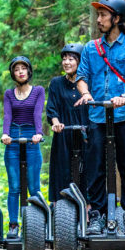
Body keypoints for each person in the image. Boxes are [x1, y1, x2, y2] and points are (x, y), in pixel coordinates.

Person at [74, 0, 125, 236]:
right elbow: (81, 76)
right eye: (98, 16)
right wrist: (85, 94)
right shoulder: (90, 48)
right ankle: (96, 214)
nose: (99, 20)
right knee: (95, 167)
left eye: (103, 16)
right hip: (97, 116)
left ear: (117, 19)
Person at [1, 56, 45, 239]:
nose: (20, 71)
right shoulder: (9, 94)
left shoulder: (38, 91)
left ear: (28, 72)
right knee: (14, 187)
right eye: (17, 69)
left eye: (23, 68)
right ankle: (13, 225)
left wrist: (39, 133)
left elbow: (37, 113)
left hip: (31, 137)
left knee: (34, 187)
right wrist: (5, 134)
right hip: (13, 139)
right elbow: (7, 115)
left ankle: (38, 225)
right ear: (13, 73)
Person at [46, 43, 93, 203]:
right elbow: (52, 108)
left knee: (88, 171)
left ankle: (89, 211)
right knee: (62, 172)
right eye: (64, 59)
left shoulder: (87, 84)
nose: (66, 62)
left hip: (86, 134)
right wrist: (56, 123)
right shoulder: (56, 83)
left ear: (79, 61)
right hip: (64, 134)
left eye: (71, 59)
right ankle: (61, 210)